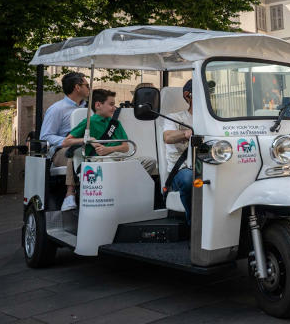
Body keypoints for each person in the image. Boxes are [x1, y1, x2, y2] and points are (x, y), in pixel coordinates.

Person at [60, 88, 157, 210]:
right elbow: (66, 142)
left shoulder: (115, 123)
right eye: (111, 104)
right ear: (98, 105)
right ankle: (121, 196)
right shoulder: (89, 123)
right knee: (111, 166)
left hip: (119, 158)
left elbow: (125, 147)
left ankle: (127, 192)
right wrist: (89, 138)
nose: (114, 108)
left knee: (150, 161)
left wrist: (109, 149)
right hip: (100, 160)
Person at [162, 79, 194, 224]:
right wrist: (185, 134)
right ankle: (194, 225)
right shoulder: (175, 118)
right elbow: (167, 137)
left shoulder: (217, 119)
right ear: (188, 95)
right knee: (189, 179)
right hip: (181, 170)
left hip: (209, 165)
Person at [40, 72, 89, 154]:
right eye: (87, 86)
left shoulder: (89, 108)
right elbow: (45, 137)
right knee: (77, 155)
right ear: (77, 87)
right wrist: (72, 141)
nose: (90, 88)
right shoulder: (56, 109)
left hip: (86, 148)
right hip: (63, 151)